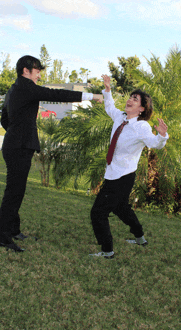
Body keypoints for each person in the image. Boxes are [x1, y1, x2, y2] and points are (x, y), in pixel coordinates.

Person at [0, 55, 103, 252]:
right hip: (19, 147)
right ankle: (3, 236)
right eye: (37, 70)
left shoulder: (14, 88)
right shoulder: (26, 87)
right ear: (26, 70)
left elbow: (5, 118)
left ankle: (12, 230)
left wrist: (16, 132)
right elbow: (56, 95)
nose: (39, 75)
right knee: (14, 193)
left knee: (16, 191)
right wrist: (92, 96)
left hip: (15, 145)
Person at [90, 74, 168, 259]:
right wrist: (107, 90)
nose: (130, 100)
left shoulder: (141, 127)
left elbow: (153, 142)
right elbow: (109, 107)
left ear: (142, 108)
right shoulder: (120, 117)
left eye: (135, 99)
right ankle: (140, 238)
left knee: (98, 212)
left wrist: (162, 137)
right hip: (113, 172)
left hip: (123, 176)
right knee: (120, 208)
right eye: (130, 97)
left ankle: (107, 250)